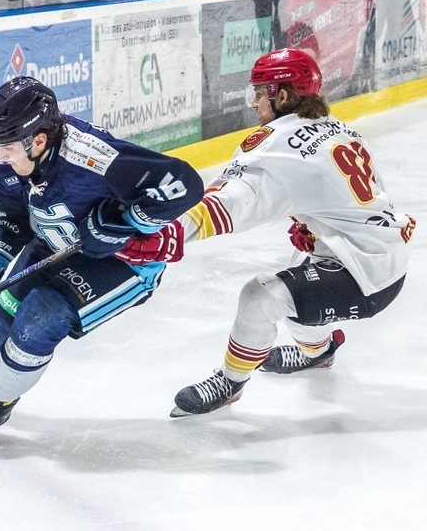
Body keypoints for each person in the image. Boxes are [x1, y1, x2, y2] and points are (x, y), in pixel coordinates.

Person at [0, 76, 204, 442]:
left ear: (38, 141)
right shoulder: (4, 160)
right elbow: (11, 221)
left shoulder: (94, 157)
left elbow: (185, 184)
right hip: (56, 240)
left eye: (7, 146)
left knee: (41, 314)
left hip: (125, 258)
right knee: (6, 307)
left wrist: (126, 221)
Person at [127, 48, 415, 417]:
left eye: (259, 92)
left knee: (261, 297)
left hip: (367, 276)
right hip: (379, 253)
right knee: (301, 286)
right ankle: (320, 352)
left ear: (281, 95)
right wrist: (314, 223)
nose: (254, 103)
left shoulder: (277, 144)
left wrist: (162, 229)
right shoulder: (340, 127)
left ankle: (230, 384)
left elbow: (228, 204)